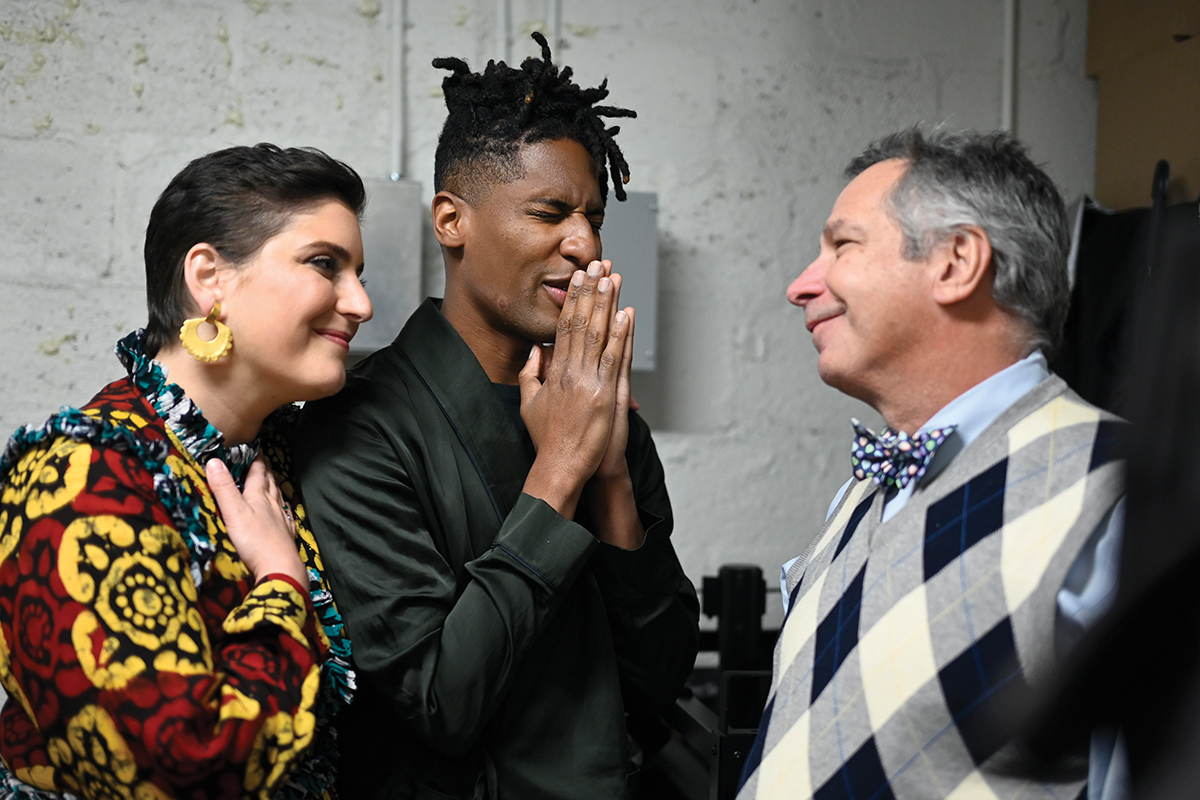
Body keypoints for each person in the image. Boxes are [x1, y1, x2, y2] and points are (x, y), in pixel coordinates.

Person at [293, 32, 699, 800]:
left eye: (592, 217)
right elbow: (441, 704)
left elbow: (660, 679)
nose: (583, 243)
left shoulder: (603, 413)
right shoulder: (357, 428)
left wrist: (609, 474)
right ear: (452, 221)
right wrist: (560, 471)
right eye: (550, 212)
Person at [737, 128, 1126, 800]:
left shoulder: (1115, 494)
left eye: (842, 245)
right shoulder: (862, 491)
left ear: (956, 263)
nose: (802, 285)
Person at [0, 143, 373, 800]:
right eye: (325, 265)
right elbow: (176, 768)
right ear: (209, 278)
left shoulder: (277, 454)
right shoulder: (81, 474)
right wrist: (281, 582)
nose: (361, 304)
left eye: (359, 274)